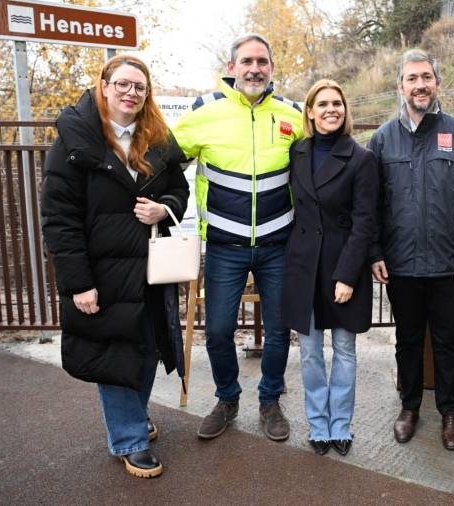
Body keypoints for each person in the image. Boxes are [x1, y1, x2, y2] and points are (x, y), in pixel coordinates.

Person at [41, 55, 189, 478]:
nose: (131, 93)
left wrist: (165, 208)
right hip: (102, 275)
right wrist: (78, 284)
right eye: (123, 84)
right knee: (115, 354)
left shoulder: (156, 137)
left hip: (150, 271)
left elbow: (179, 190)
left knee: (146, 350)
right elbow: (59, 219)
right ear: (104, 86)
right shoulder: (76, 140)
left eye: (139, 87)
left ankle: (135, 418)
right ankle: (129, 439)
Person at [172, 34, 304, 442]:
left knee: (281, 329)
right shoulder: (203, 111)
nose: (255, 68)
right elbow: (164, 161)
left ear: (272, 68)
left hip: (278, 245)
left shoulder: (293, 114)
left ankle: (269, 401)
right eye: (246, 61)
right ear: (231, 67)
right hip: (225, 247)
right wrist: (162, 205)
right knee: (216, 330)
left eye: (262, 61)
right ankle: (228, 398)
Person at [368, 49, 454, 451]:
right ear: (400, 86)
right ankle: (409, 406)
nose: (420, 84)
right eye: (411, 78)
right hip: (400, 266)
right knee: (406, 340)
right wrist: (374, 252)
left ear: (437, 82)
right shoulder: (383, 139)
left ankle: (450, 410)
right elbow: (369, 203)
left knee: (448, 341)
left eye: (426, 77)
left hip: (448, 266)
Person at [281, 79, 379, 456]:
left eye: (336, 103)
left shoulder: (361, 158)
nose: (330, 110)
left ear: (345, 109)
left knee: (344, 350)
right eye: (321, 104)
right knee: (308, 353)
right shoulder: (297, 152)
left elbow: (365, 221)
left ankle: (340, 424)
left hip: (342, 264)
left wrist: (347, 276)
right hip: (304, 263)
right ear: (309, 111)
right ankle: (317, 424)